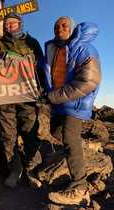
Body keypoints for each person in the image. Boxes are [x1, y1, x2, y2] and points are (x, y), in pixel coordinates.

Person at [43, 17, 101, 205]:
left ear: (72, 29)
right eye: (56, 26)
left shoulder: (84, 48)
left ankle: (79, 188)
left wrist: (52, 97)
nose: (60, 28)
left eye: (64, 25)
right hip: (59, 103)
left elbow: (87, 81)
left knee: (69, 137)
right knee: (57, 133)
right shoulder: (54, 49)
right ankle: (81, 150)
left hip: (76, 102)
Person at [0, 12, 44, 188]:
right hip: (6, 96)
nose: (8, 26)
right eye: (6, 24)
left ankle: (31, 170)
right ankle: (14, 169)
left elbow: (41, 69)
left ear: (20, 24)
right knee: (8, 135)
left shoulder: (32, 43)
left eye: (12, 23)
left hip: (27, 96)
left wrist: (41, 91)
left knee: (30, 131)